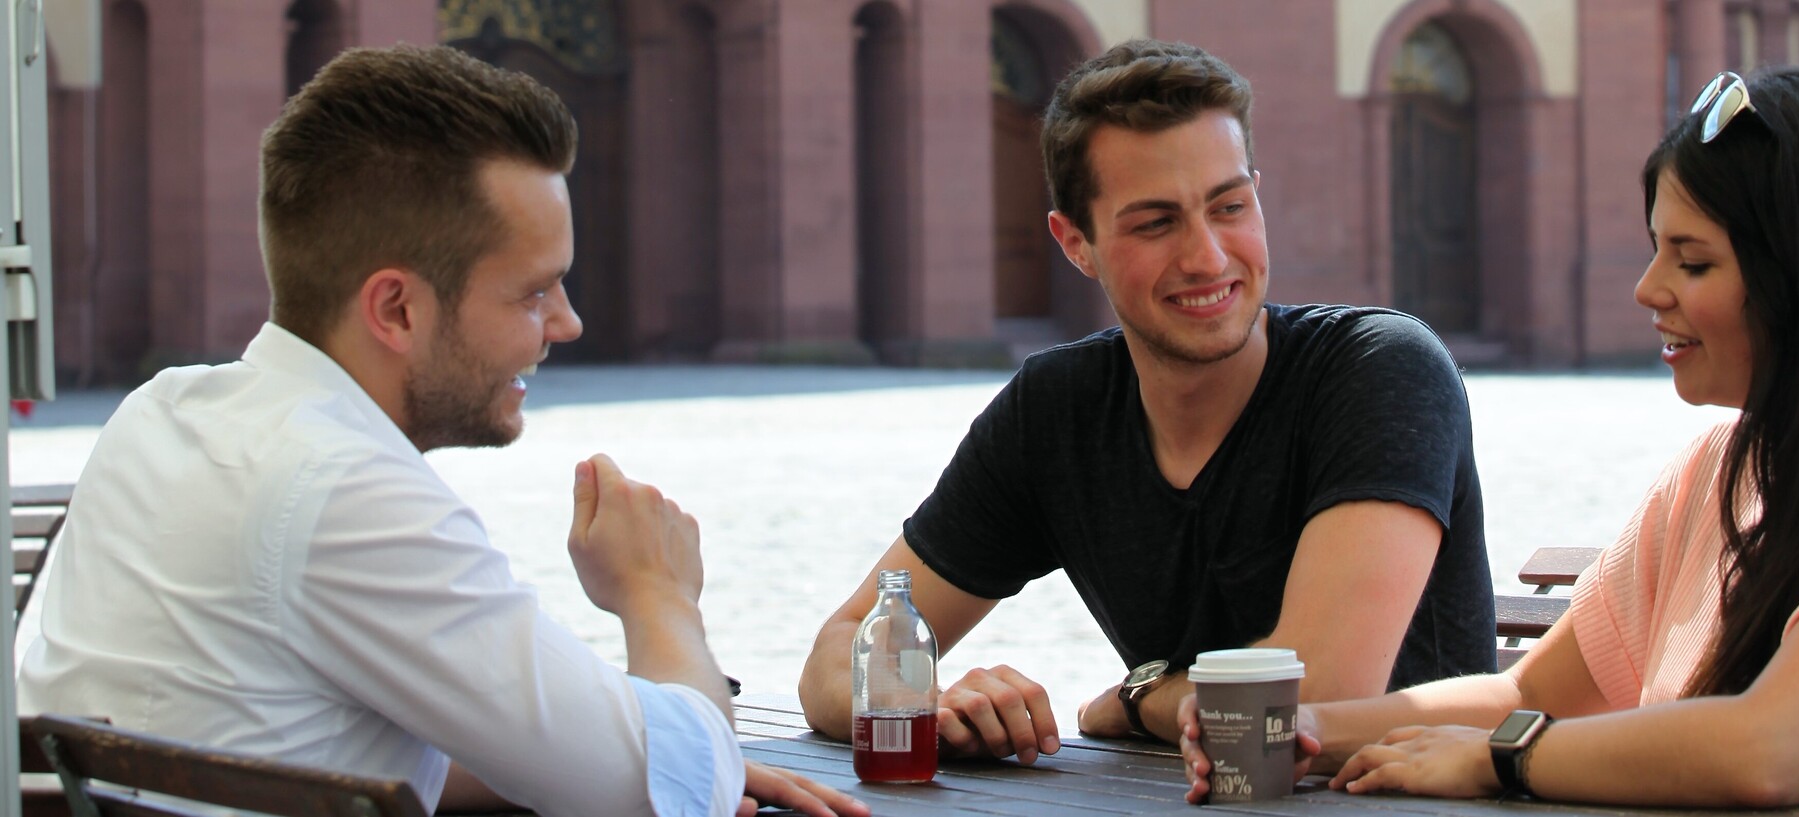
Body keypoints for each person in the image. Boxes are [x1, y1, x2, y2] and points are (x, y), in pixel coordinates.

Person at [18, 45, 864, 817]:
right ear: (397, 308)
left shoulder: (161, 413)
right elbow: (648, 800)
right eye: (534, 291)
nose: (566, 323)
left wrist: (653, 739)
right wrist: (659, 600)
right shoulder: (348, 490)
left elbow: (292, 743)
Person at [1178, 67, 1799, 807]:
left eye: (1693, 261)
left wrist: (1506, 760)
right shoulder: (1720, 468)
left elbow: (1772, 747)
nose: (1648, 287)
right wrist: (1302, 723)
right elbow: (1530, 689)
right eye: (1657, 249)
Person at [797, 38, 1495, 761]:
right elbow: (839, 650)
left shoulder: (1380, 368)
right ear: (1075, 243)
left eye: (1229, 206)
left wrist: (1140, 696)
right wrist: (922, 701)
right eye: (1156, 223)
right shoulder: (1057, 411)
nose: (1208, 256)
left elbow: (1308, 702)